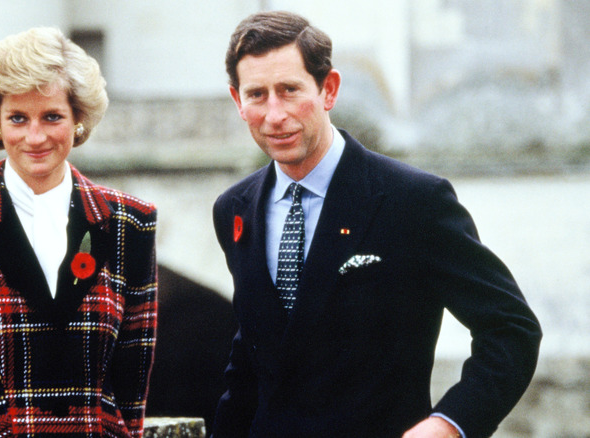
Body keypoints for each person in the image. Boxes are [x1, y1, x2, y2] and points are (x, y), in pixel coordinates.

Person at [211, 11, 541, 438]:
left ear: (328, 89)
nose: (274, 114)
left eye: (290, 90)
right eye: (257, 95)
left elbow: (510, 329)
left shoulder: (414, 201)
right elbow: (252, 363)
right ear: (238, 101)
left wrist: (448, 425)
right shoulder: (233, 210)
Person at [0, 27, 158, 437]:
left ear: (78, 121)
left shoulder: (130, 222)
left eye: (52, 116)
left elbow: (131, 382)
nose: (35, 137)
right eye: (18, 118)